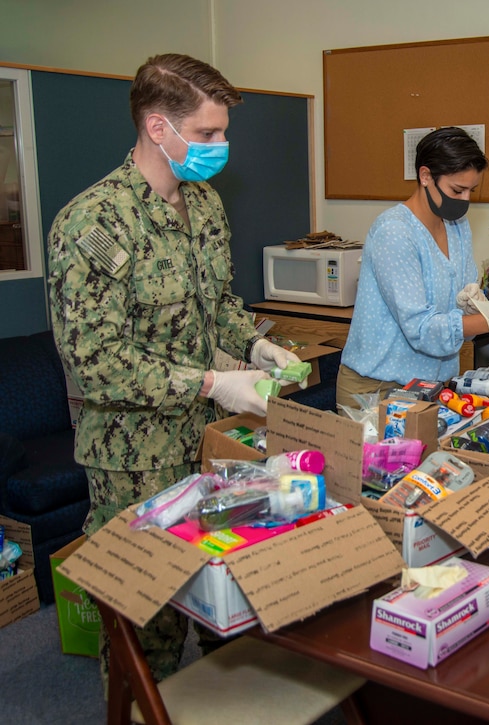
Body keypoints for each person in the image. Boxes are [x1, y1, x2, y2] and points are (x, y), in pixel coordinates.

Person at [47, 53, 301, 684]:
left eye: (223, 133)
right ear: (158, 128)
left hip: (209, 442)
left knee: (226, 599)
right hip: (135, 458)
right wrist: (213, 382)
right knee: (150, 621)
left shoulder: (206, 205)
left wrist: (256, 345)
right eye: (209, 134)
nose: (221, 146)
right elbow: (95, 362)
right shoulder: (93, 222)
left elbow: (218, 307)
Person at [336, 126, 489, 407]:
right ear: (425, 176)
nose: (465, 200)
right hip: (379, 389)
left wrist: (473, 306)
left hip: (433, 386)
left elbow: (459, 316)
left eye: (471, 191)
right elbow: (422, 330)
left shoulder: (456, 225)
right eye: (457, 189)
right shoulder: (394, 232)